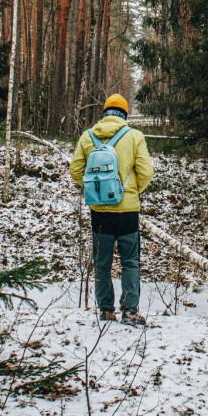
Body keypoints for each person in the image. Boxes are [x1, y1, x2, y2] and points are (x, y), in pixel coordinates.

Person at [69, 94, 154, 325]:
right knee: (130, 261)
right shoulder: (135, 136)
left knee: (102, 263)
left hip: (99, 213)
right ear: (124, 114)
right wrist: (131, 191)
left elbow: (76, 171)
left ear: (105, 113)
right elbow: (146, 172)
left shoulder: (88, 137)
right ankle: (130, 312)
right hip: (127, 212)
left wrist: (95, 192)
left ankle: (106, 311)